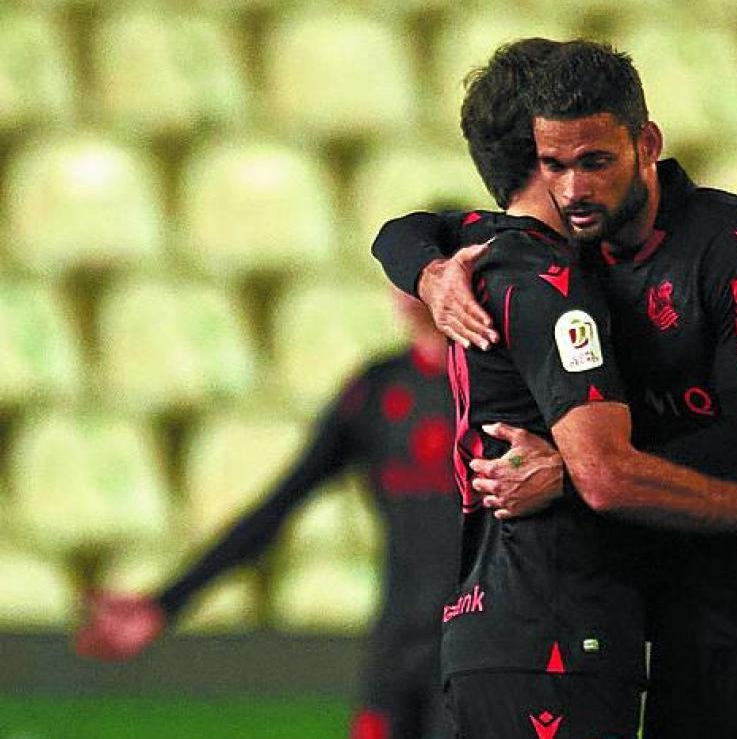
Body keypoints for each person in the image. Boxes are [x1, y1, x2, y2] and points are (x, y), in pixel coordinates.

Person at [374, 39, 737, 738]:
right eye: (557, 165)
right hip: (691, 628)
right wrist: (432, 274)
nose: (575, 188)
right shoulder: (565, 251)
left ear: (646, 144)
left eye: (596, 162)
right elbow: (409, 231)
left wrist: (578, 472)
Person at [76, 293, 461, 739]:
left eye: (427, 266)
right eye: (402, 273)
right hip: (398, 641)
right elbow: (278, 506)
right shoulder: (377, 390)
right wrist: (167, 601)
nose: (410, 288)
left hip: (481, 641)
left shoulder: (500, 387)